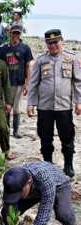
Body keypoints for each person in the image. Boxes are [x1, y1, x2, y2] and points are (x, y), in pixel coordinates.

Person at [27, 29, 81, 177]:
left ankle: (68, 165)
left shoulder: (71, 59)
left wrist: (78, 102)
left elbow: (77, 82)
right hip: (45, 107)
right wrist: (31, 103)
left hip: (64, 106)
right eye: (49, 43)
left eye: (55, 42)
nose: (53, 46)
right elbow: (33, 83)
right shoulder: (41, 60)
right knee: (45, 138)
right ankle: (47, 164)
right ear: (46, 44)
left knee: (67, 137)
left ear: (61, 41)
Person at [0, 24, 33, 138]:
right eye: (14, 33)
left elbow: (28, 66)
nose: (15, 35)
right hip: (6, 83)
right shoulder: (4, 49)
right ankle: (6, 128)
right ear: (10, 33)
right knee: (6, 106)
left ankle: (16, 130)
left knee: (17, 108)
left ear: (20, 34)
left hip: (19, 82)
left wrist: (27, 83)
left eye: (18, 33)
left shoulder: (25, 48)